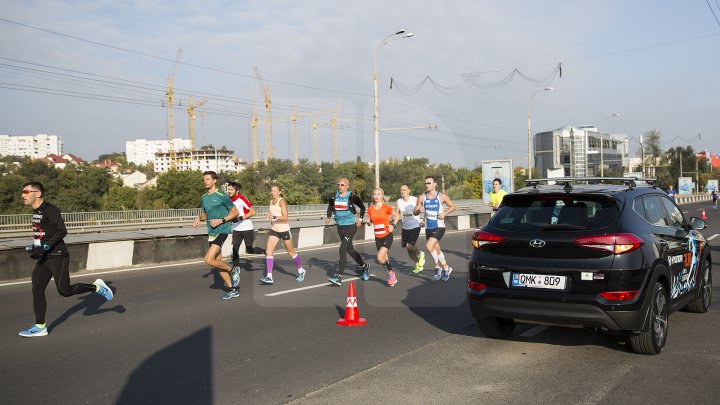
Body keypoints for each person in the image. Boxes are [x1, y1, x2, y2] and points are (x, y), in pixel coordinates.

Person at [18, 181, 114, 338]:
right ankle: (40, 326)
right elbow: (42, 233)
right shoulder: (36, 211)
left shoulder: (50, 209)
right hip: (44, 257)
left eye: (26, 192)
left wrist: (46, 246)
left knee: (64, 290)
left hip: (57, 255)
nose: (23, 195)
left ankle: (97, 287)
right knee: (37, 289)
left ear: (38, 194)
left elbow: (62, 231)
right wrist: (36, 248)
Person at [192, 171, 240, 300]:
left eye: (208, 179)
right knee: (216, 262)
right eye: (204, 180)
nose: (205, 181)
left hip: (222, 229)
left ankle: (232, 270)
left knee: (208, 259)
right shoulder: (204, 197)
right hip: (211, 232)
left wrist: (222, 220)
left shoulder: (222, 195)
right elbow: (205, 214)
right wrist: (197, 218)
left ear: (214, 181)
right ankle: (232, 289)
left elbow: (235, 212)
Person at [326, 177, 370, 286]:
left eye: (343, 185)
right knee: (350, 251)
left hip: (351, 226)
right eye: (339, 184)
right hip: (340, 227)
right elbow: (330, 207)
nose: (340, 187)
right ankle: (365, 266)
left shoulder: (352, 196)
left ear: (347, 186)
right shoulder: (333, 196)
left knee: (342, 249)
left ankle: (339, 277)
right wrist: (328, 216)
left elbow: (362, 207)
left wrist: (360, 220)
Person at [259, 184, 306, 285]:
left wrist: (274, 216)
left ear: (279, 192)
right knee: (268, 251)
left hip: (284, 230)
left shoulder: (282, 201)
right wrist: (272, 220)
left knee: (291, 252)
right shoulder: (271, 201)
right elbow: (273, 216)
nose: (273, 193)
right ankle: (269, 276)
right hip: (275, 229)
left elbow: (285, 218)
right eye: (272, 191)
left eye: (275, 191)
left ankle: (301, 270)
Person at [414, 175, 456, 282]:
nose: (427, 185)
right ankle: (446, 268)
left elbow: (453, 206)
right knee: (437, 250)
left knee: (429, 246)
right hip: (428, 227)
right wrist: (419, 210)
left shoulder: (442, 196)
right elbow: (415, 211)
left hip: (439, 226)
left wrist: (444, 213)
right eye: (425, 183)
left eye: (429, 183)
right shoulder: (422, 197)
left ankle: (437, 268)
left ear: (435, 184)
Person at [226, 181, 265, 268]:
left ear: (237, 190)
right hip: (236, 229)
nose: (229, 191)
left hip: (247, 228)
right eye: (228, 189)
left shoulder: (242, 199)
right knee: (235, 249)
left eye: (231, 189)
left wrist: (239, 218)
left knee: (249, 250)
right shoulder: (228, 200)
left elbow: (252, 212)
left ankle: (264, 251)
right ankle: (235, 268)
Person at [366, 188, 399, 286]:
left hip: (387, 235)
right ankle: (391, 276)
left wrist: (393, 225)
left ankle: (391, 273)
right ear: (373, 196)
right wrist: (368, 222)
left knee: (380, 258)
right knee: (385, 258)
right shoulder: (370, 209)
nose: (376, 196)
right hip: (377, 237)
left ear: (382, 196)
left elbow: (397, 216)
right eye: (374, 194)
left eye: (378, 194)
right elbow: (369, 222)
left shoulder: (386, 208)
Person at [395, 184, 425, 273]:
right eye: (401, 190)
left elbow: (424, 209)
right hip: (405, 228)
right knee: (408, 249)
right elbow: (397, 213)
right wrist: (393, 220)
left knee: (409, 245)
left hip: (415, 225)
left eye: (404, 189)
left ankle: (420, 254)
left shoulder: (415, 199)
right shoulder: (398, 201)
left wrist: (424, 220)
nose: (402, 191)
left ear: (409, 191)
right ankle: (418, 265)